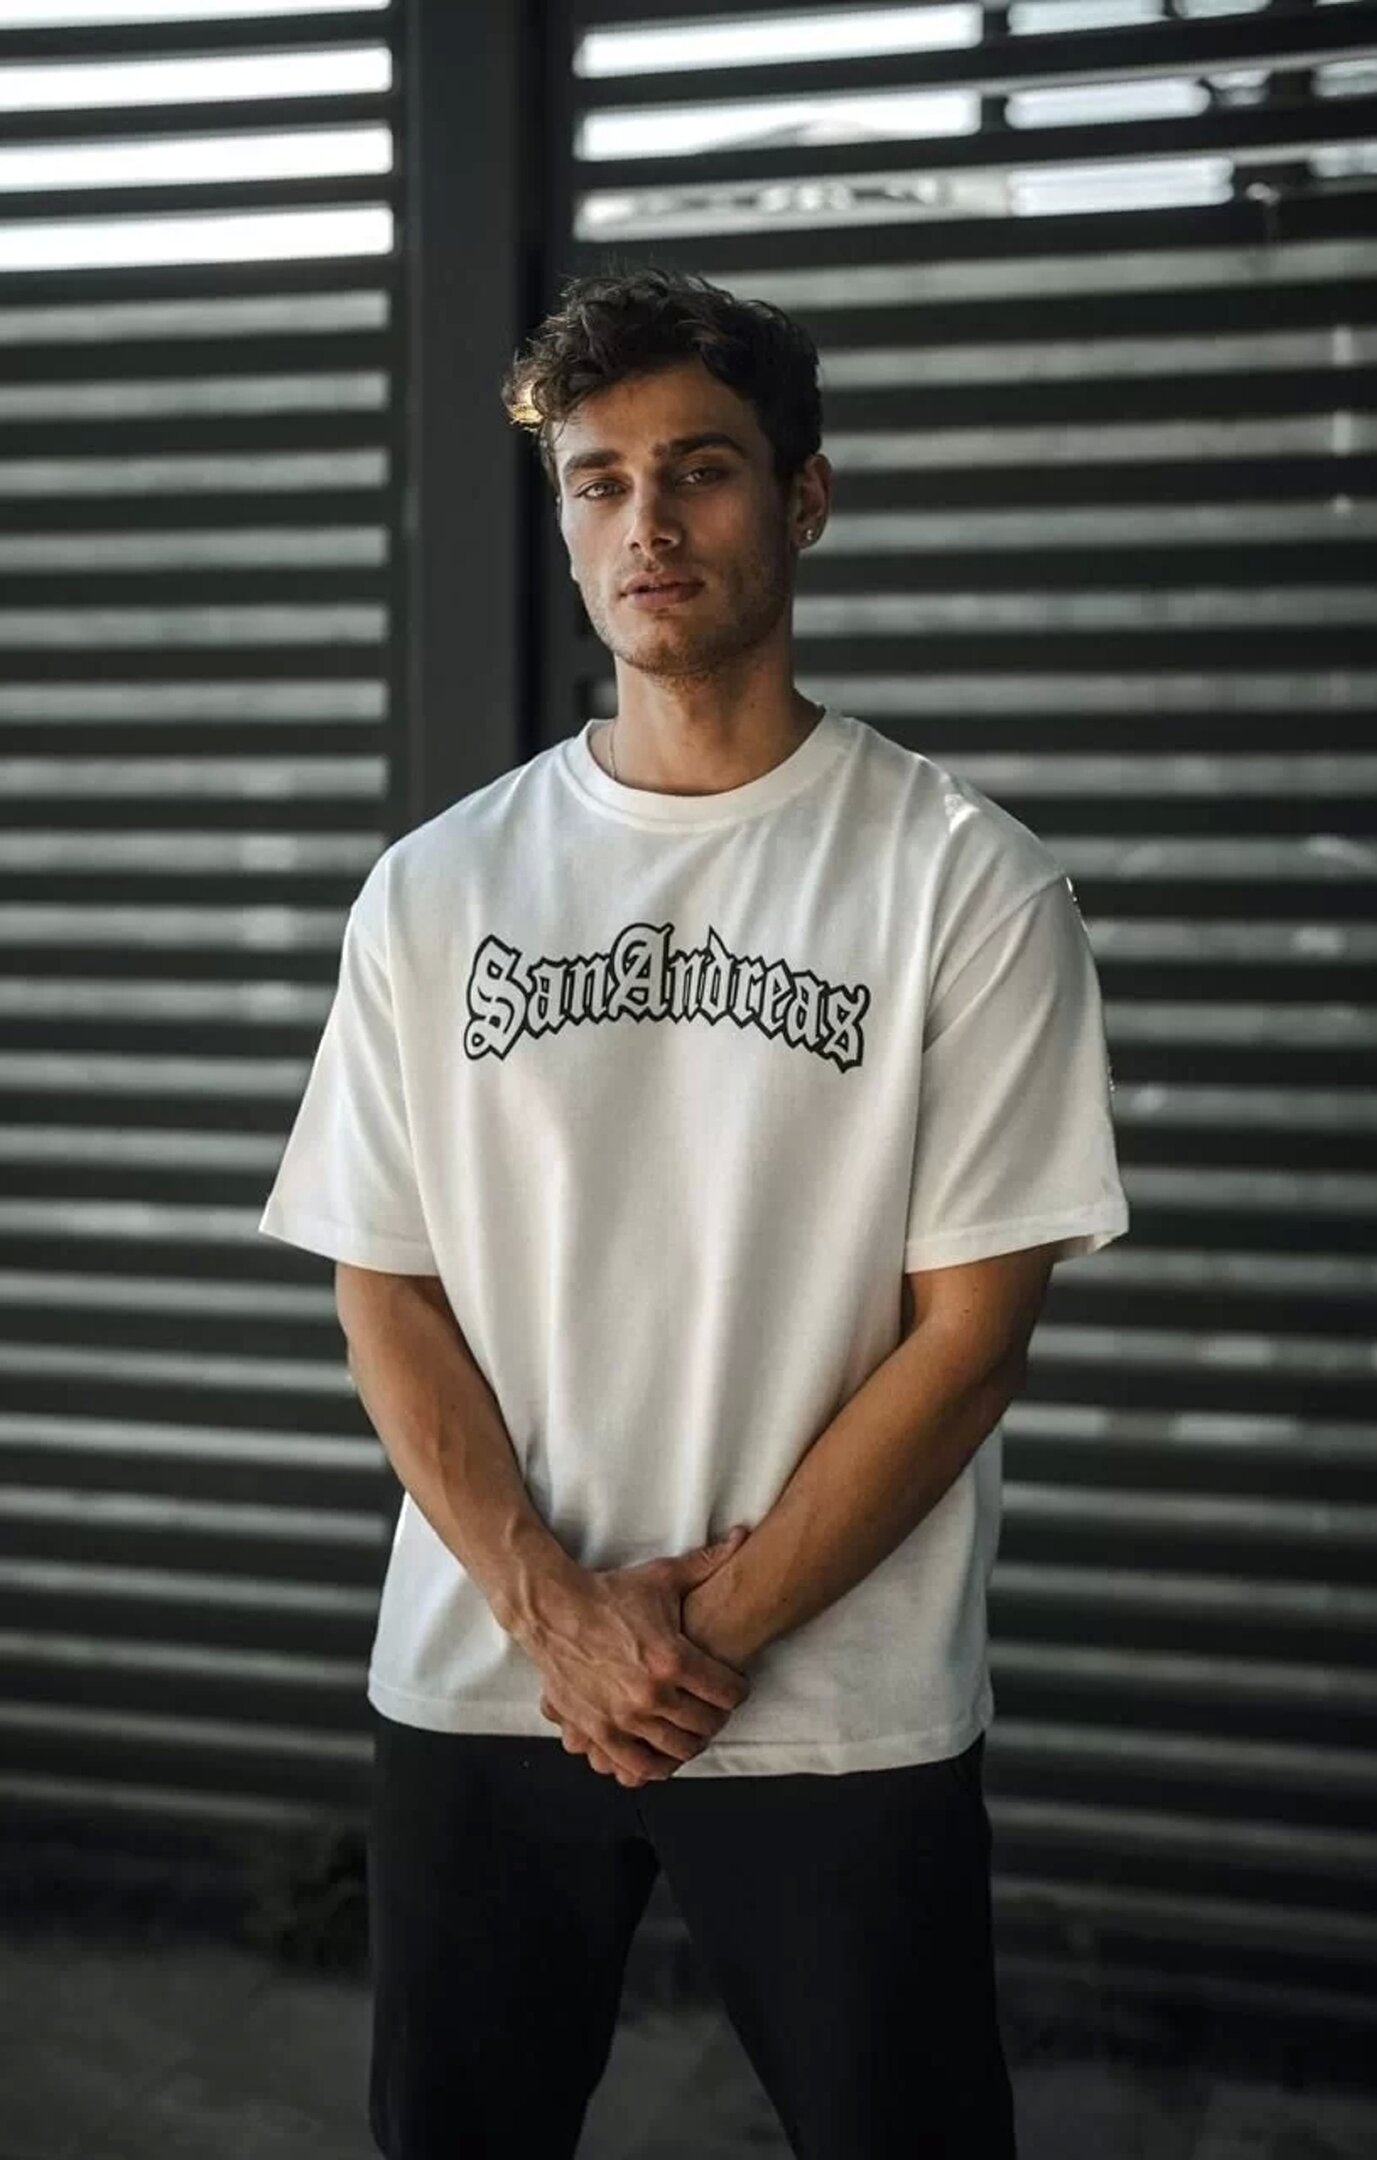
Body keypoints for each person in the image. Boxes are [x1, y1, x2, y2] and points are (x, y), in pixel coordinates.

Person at [258, 265, 1129, 2160]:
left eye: (702, 470)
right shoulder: (436, 889)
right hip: (485, 1676)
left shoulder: (965, 884)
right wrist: (550, 1610)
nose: (645, 521)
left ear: (804, 499)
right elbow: (384, 1287)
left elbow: (973, 1339)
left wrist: (679, 1639)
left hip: (839, 1701)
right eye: (599, 481)